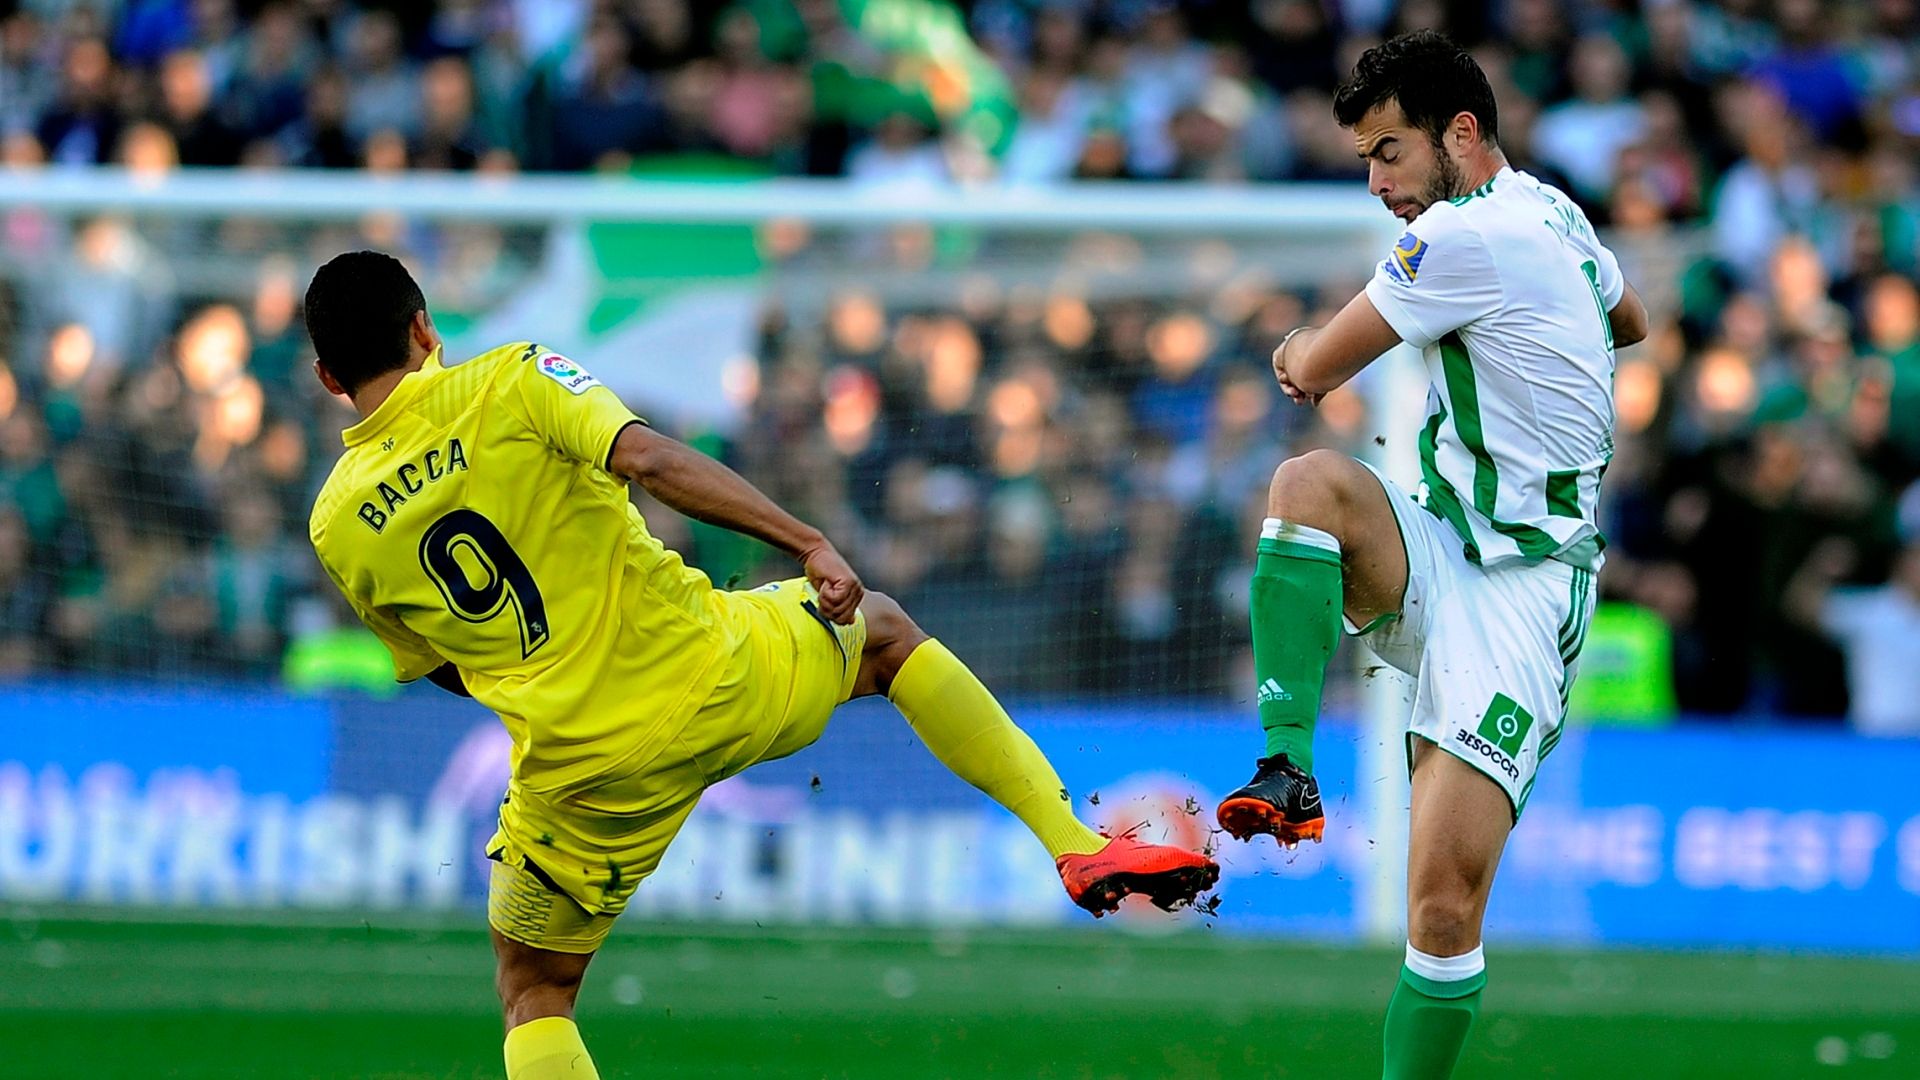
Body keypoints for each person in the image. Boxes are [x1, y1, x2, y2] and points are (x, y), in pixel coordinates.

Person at [302, 251, 1216, 1080]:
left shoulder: (336, 522)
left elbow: (441, 664)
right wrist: (806, 539)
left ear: (328, 377)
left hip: (582, 772)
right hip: (717, 673)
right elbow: (649, 458)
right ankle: (1072, 840)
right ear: (426, 327)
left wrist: (556, 686)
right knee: (885, 636)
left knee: (534, 991)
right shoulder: (512, 377)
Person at [1210, 32, 1649, 1080]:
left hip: (1525, 593)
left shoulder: (1460, 236)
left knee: (1442, 909)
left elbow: (1313, 370)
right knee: (1309, 488)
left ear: (1460, 133)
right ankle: (1287, 767)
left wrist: (1290, 350)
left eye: (1389, 152)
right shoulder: (1556, 213)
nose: (1376, 183)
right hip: (1439, 546)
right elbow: (1627, 317)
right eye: (1367, 158)